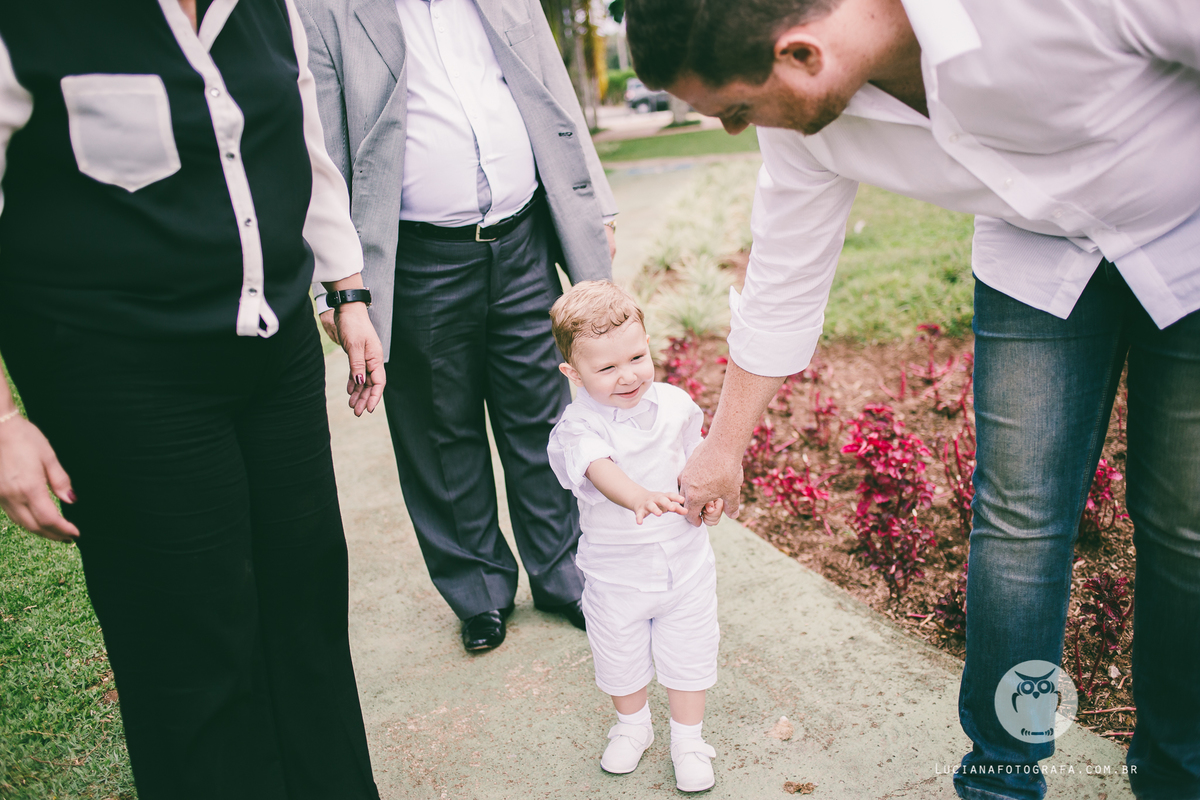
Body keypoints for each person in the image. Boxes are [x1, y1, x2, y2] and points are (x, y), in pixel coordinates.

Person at [622, 1, 1200, 799]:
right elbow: (785, 275)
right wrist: (722, 447)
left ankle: (1179, 775)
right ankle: (1002, 777)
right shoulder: (803, 125)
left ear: (800, 55)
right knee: (1017, 531)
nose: (733, 129)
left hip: (1191, 233)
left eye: (735, 109)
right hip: (1037, 259)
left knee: (1185, 529)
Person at [0, 1, 385, 798]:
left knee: (307, 617)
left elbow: (301, 151)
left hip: (272, 355)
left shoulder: (269, 10)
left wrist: (347, 293)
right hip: (118, 376)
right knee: (191, 647)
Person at [296, 0, 618, 653]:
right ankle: (479, 591)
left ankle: (565, 576)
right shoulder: (324, 11)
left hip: (524, 237)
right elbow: (320, 152)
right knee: (440, 433)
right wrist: (337, 292)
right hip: (417, 259)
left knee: (543, 418)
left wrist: (596, 203)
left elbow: (549, 87)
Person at [546, 281, 725, 793]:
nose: (628, 376)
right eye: (606, 368)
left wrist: (707, 495)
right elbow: (598, 468)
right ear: (573, 375)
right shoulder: (578, 425)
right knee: (619, 657)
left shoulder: (675, 404)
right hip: (615, 573)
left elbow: (697, 459)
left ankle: (688, 740)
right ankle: (633, 725)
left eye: (637, 357)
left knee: (689, 654)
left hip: (685, 564)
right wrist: (637, 496)